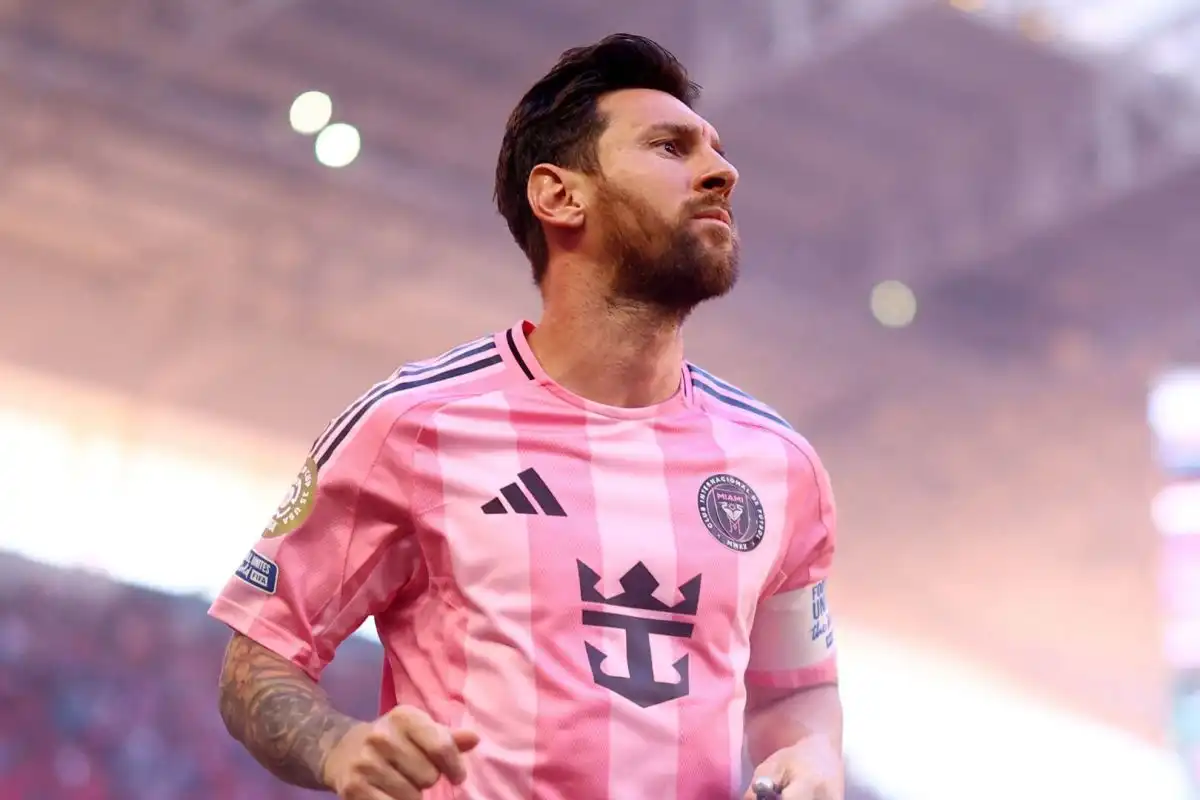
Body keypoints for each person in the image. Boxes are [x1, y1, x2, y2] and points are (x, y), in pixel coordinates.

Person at [210, 33, 843, 800]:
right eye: (670, 147)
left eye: (716, 150)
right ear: (560, 196)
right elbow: (258, 659)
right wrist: (337, 746)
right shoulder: (413, 425)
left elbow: (795, 694)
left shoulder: (778, 465)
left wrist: (812, 757)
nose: (721, 171)